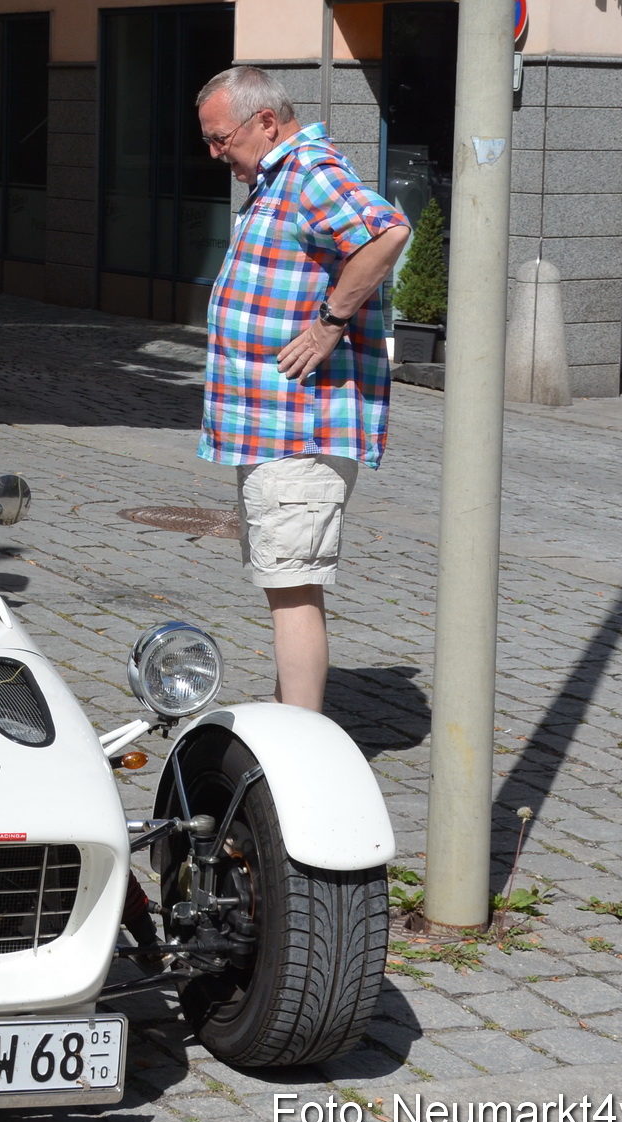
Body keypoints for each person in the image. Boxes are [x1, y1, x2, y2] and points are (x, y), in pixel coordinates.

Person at [196, 66, 410, 712]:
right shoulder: (279, 176)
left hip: (300, 427)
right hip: (275, 427)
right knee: (286, 584)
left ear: (265, 121)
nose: (216, 153)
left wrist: (329, 323)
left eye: (221, 138)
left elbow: (387, 232)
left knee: (292, 589)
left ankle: (301, 744)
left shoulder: (308, 170)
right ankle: (289, 724)